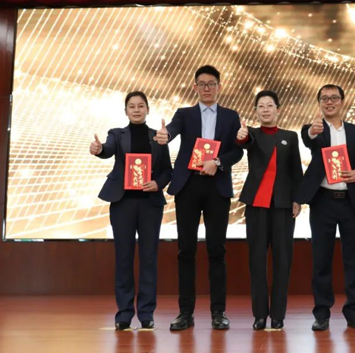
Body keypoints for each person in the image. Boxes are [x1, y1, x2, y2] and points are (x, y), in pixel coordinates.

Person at [154, 65, 243, 331]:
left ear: (219, 87)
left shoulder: (231, 116)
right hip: (188, 186)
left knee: (217, 250)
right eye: (202, 84)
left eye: (211, 83)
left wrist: (218, 161)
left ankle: (218, 312)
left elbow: (237, 152)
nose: (207, 88)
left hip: (217, 187)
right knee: (186, 250)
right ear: (195, 87)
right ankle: (185, 312)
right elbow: (172, 129)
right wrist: (165, 135)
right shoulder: (185, 114)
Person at [89, 91, 172, 331]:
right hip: (123, 203)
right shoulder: (117, 134)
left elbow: (167, 170)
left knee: (149, 259)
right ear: (126, 111)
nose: (136, 110)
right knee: (124, 258)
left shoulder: (157, 137)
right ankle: (124, 313)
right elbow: (107, 149)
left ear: (148, 110)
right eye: (132, 106)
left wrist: (158, 183)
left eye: (141, 106)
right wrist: (98, 149)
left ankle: (146, 313)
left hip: (150, 204)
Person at [296, 84, 355, 332]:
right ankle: (322, 314)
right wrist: (311, 132)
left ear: (342, 101)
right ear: (319, 103)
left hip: (351, 202)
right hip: (323, 202)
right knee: (321, 260)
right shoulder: (315, 130)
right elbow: (307, 138)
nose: (329, 102)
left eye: (334, 98)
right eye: (324, 99)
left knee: (354, 260)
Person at [236, 90, 303, 330]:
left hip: (283, 206)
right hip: (257, 205)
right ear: (256, 111)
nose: (265, 109)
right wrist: (242, 136)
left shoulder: (290, 136)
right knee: (256, 260)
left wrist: (298, 199)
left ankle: (278, 315)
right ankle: (260, 315)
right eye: (261, 106)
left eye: (269, 105)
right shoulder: (252, 134)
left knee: (282, 261)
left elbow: (296, 170)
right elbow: (244, 141)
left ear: (278, 109)